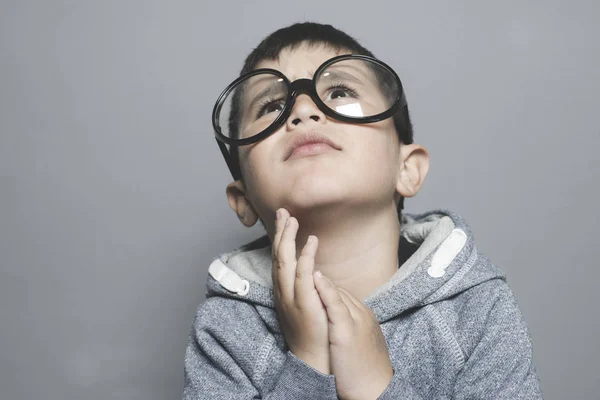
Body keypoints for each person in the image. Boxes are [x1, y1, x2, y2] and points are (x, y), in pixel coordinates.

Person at [182, 22, 543, 399]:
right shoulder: (224, 329)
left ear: (407, 169)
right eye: (272, 107)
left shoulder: (478, 310)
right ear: (243, 201)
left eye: (339, 92)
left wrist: (376, 387)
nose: (303, 112)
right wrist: (308, 363)